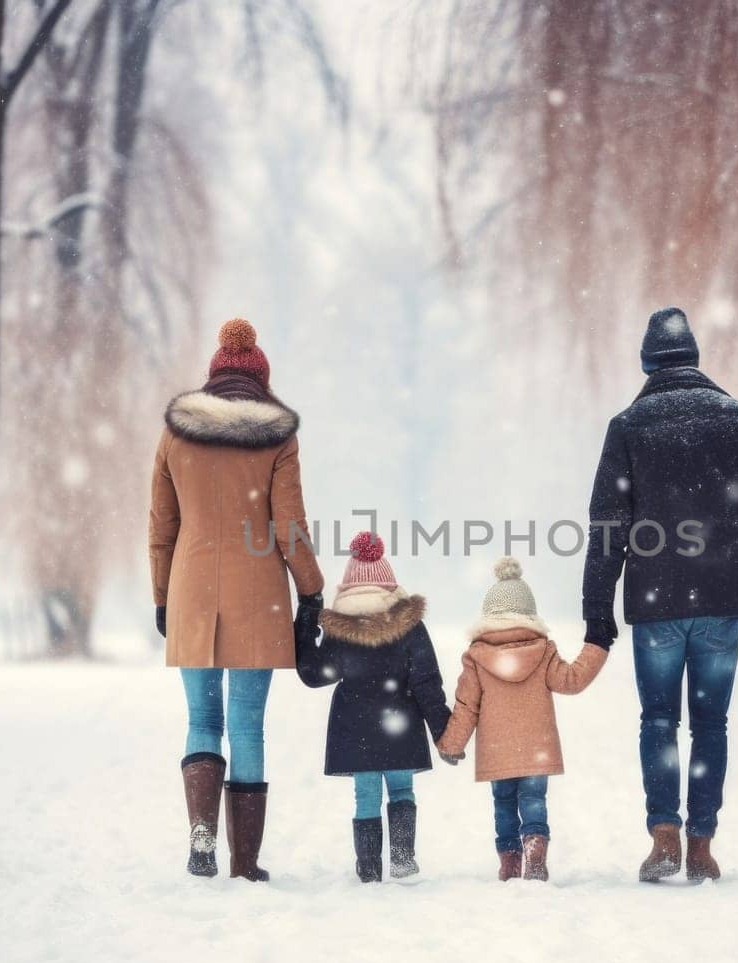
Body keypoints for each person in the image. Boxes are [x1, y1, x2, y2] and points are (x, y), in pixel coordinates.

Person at [582, 307, 738, 884]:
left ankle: (663, 833)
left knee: (659, 721)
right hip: (723, 597)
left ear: (648, 364)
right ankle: (701, 843)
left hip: (657, 602)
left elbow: (606, 526)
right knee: (712, 724)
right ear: (694, 359)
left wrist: (598, 610)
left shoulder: (628, 426)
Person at [149, 317, 324, 882]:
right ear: (262, 380)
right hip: (258, 595)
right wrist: (312, 591)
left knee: (202, 718)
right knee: (247, 724)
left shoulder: (177, 434)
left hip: (191, 589)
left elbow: (161, 525)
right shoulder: (278, 436)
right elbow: (289, 526)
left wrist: (161, 597)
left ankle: (200, 835)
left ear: (213, 376)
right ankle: (245, 861)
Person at [436, 558, 609, 882]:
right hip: (535, 748)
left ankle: (510, 861)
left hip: (497, 748)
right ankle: (535, 848)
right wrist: (596, 647)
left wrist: (451, 743)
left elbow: (466, 705)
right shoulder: (543, 651)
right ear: (529, 614)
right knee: (533, 800)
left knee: (503, 803)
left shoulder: (477, 656)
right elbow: (571, 680)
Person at [295, 531, 452, 883]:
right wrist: (444, 730)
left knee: (365, 797)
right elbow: (427, 681)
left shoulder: (340, 630)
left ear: (347, 588)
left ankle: (368, 868)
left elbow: (314, 674)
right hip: (401, 723)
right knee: (401, 790)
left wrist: (305, 627)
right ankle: (401, 858)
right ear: (391, 586)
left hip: (355, 728)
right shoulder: (409, 627)